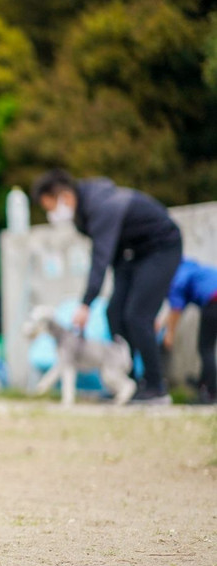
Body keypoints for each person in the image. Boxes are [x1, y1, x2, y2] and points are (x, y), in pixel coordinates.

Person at [31, 169, 182, 404]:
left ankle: (156, 388)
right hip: (131, 254)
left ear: (64, 197)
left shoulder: (101, 206)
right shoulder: (82, 215)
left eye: (50, 208)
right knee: (114, 312)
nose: (51, 215)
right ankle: (128, 383)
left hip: (162, 247)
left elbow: (100, 259)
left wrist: (85, 303)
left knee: (138, 315)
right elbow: (111, 256)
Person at [162, 258, 217, 405]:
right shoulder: (191, 268)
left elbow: (176, 308)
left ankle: (211, 392)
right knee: (207, 347)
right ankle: (202, 384)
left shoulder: (177, 274)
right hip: (212, 301)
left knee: (206, 348)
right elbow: (177, 306)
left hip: (214, 302)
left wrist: (170, 334)